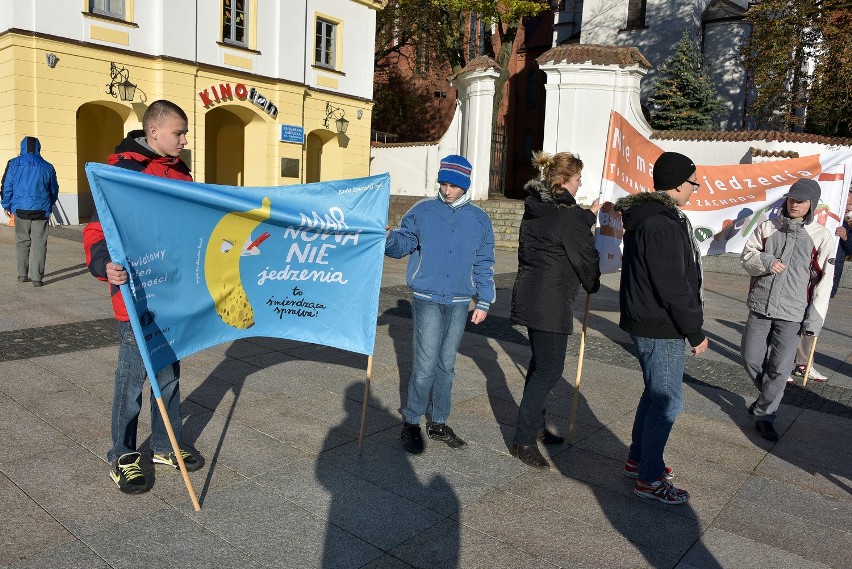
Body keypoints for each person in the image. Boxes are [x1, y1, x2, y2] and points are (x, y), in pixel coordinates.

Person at [83, 100, 204, 494]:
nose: (184, 141)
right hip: (137, 297)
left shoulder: (182, 172)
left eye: (185, 133)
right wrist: (103, 264)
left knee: (168, 375)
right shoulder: (123, 170)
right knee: (132, 377)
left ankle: (164, 446)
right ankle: (122, 454)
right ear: (153, 132)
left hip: (173, 295)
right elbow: (98, 229)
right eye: (178, 133)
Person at [614, 151, 708, 505]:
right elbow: (673, 285)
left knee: (654, 395)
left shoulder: (652, 217)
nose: (695, 189)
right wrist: (694, 331)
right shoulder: (661, 223)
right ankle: (649, 478)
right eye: (693, 182)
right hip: (660, 324)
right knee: (667, 402)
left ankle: (640, 460)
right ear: (678, 183)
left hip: (650, 320)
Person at [385, 154, 496, 454]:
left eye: (453, 186)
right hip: (427, 299)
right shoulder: (422, 211)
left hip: (460, 301)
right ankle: (410, 422)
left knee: (447, 364)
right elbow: (403, 243)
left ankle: (438, 422)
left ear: (465, 186)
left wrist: (484, 300)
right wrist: (387, 239)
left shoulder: (479, 219)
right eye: (443, 184)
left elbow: (484, 262)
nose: (447, 191)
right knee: (424, 365)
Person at [509, 151, 601, 469]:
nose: (580, 184)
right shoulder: (567, 216)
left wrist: (589, 215)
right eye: (577, 180)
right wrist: (593, 282)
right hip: (550, 301)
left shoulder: (539, 208)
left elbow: (562, 228)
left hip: (534, 296)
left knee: (540, 365)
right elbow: (584, 256)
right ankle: (522, 440)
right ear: (564, 182)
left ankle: (535, 427)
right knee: (549, 371)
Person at [740, 178, 834, 442]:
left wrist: (815, 318)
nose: (794, 204)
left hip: (794, 312)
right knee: (750, 358)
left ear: (811, 205)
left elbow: (824, 280)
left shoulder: (821, 236)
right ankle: (769, 394)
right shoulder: (769, 226)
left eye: (801, 201)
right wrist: (766, 261)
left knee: (781, 369)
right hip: (761, 305)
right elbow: (747, 258)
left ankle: (765, 416)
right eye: (792, 198)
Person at [1, 136, 60, 287]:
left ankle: (22, 275)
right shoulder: (47, 166)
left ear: (22, 147)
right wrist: (49, 204)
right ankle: (37, 278)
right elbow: (54, 189)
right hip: (41, 209)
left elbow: (6, 186)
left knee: (22, 241)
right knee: (40, 243)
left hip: (20, 209)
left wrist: (6, 205)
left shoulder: (13, 164)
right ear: (38, 147)